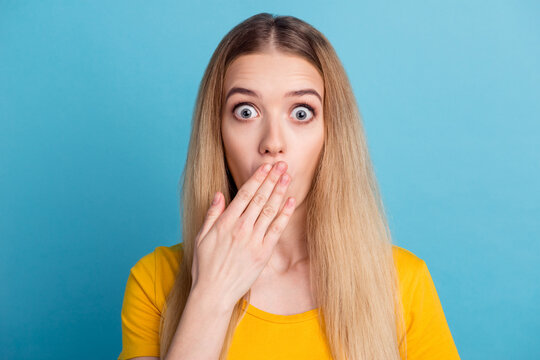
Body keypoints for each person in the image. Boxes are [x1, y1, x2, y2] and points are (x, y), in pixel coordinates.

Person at [118, 12, 460, 360]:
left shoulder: (403, 285)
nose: (273, 143)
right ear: (216, 133)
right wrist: (211, 295)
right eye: (246, 111)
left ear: (332, 134)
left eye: (301, 112)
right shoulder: (155, 282)